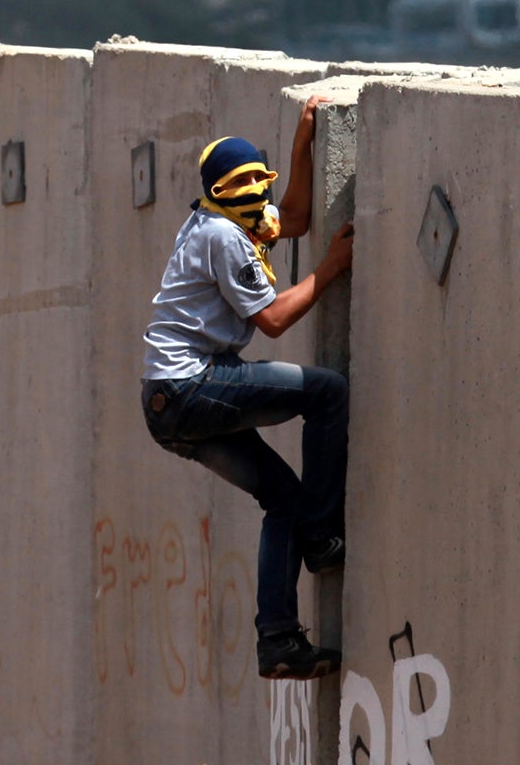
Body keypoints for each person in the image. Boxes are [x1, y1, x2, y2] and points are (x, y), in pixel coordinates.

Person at [139, 96, 355, 680]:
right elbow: (275, 321)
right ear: (224, 189)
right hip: (193, 385)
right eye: (248, 183)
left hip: (168, 403)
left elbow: (296, 217)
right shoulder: (225, 237)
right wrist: (330, 268)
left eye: (260, 180)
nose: (258, 193)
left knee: (280, 498)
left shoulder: (224, 220)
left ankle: (279, 641)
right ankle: (322, 537)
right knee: (328, 393)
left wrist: (303, 144)